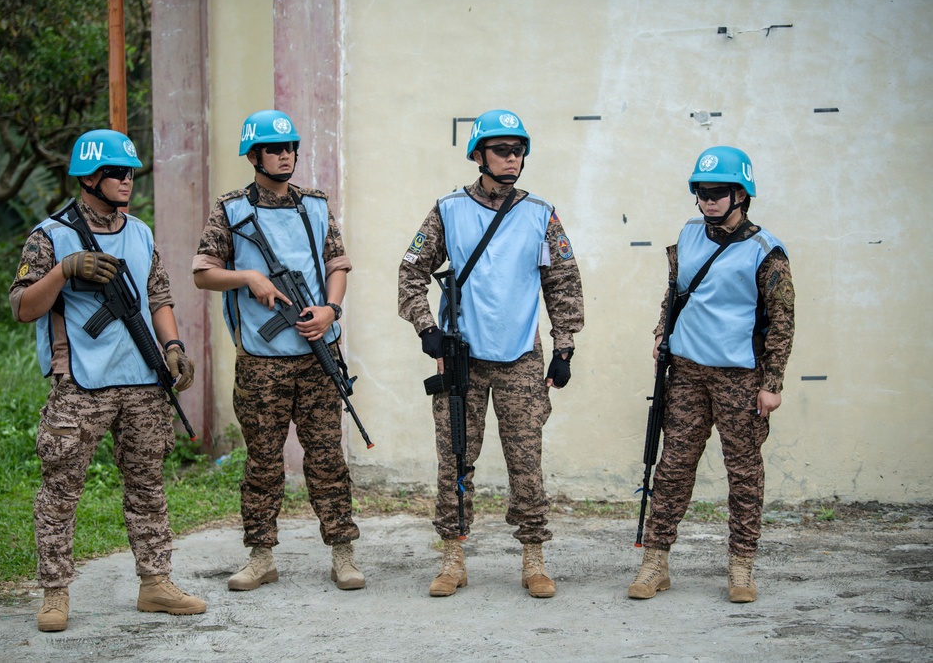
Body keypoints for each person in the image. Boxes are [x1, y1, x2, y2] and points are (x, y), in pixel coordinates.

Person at [10, 129, 206, 632]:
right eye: (118, 173)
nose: (127, 181)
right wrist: (65, 270)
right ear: (90, 178)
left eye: (131, 172)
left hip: (142, 379)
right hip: (81, 384)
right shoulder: (49, 236)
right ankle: (55, 594)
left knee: (147, 485)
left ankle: (156, 583)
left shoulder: (140, 232)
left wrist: (174, 348)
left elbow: (158, 297)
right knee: (62, 489)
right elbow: (23, 307)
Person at [398, 109, 585, 598]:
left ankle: (534, 557)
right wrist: (426, 329)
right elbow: (410, 272)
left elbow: (563, 283)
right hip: (463, 359)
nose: (512, 158)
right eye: (502, 150)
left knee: (527, 461)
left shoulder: (541, 213)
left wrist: (564, 347)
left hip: (521, 358)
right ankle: (453, 557)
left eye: (518, 150)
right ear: (479, 155)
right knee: (456, 458)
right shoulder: (448, 210)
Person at [192, 109, 365, 592]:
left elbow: (338, 263)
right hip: (262, 363)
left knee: (327, 457)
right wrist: (248, 277)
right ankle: (261, 555)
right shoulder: (230, 211)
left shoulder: (314, 205)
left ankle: (343, 552)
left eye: (291, 148)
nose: (286, 155)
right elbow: (202, 271)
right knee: (263, 461)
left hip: (316, 354)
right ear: (254, 156)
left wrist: (331, 309)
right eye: (275, 148)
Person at [629, 145, 795, 603]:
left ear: (741, 194)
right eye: (701, 192)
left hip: (739, 379)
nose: (708, 201)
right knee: (673, 469)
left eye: (718, 192)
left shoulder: (766, 251)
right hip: (685, 374)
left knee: (743, 473)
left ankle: (741, 567)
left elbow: (782, 321)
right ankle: (655, 563)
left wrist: (772, 384)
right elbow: (675, 293)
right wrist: (663, 332)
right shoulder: (688, 235)